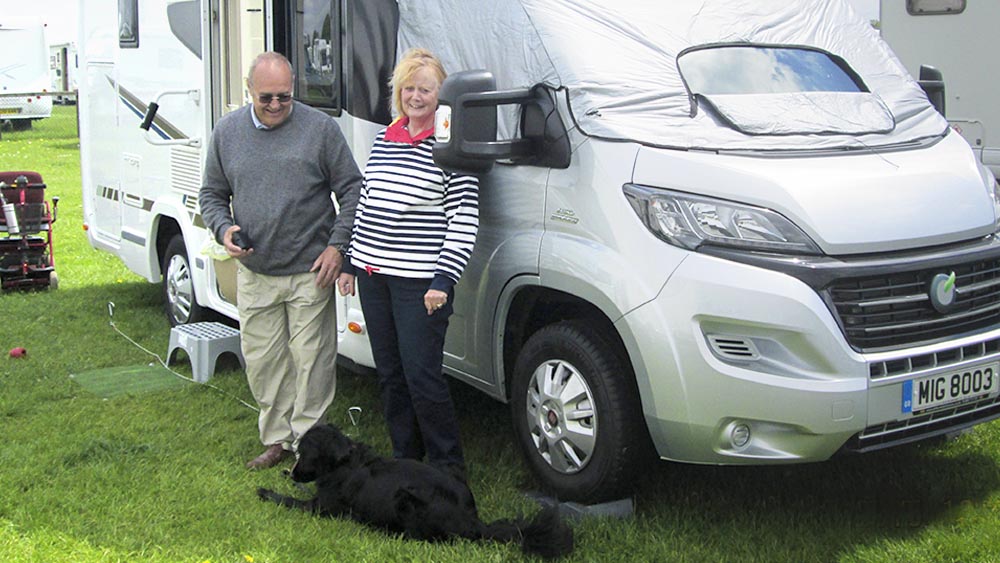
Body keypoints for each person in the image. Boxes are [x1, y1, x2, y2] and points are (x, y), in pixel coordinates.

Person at [199, 51, 362, 469]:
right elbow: (211, 195)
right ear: (249, 90)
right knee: (264, 362)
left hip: (311, 269)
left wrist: (337, 246)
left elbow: (352, 190)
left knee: (313, 363)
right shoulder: (227, 132)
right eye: (266, 97)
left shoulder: (321, 130)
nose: (275, 106)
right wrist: (223, 229)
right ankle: (276, 440)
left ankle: (308, 444)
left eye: (284, 98)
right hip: (256, 270)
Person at [339, 48, 479, 479]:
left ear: (442, 95)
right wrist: (349, 261)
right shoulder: (387, 137)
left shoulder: (451, 145)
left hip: (420, 283)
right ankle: (405, 458)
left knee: (423, 377)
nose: (415, 97)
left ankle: (447, 467)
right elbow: (368, 203)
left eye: (426, 89)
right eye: (408, 88)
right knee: (390, 373)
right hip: (372, 275)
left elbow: (464, 217)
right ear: (397, 92)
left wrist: (444, 279)